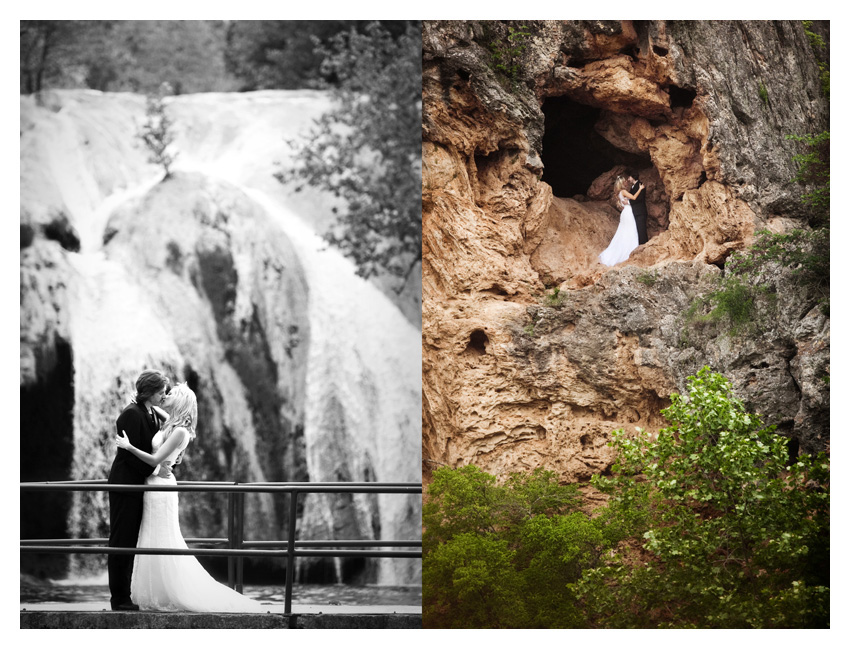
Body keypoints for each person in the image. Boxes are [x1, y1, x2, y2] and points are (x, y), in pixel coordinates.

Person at [115, 383, 265, 612]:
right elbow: (154, 409)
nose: (166, 395)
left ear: (181, 401)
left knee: (163, 537)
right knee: (150, 537)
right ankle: (156, 590)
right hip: (152, 485)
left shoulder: (179, 431)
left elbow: (155, 461)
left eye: (171, 394)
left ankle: (172, 590)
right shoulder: (170, 421)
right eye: (164, 392)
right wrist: (140, 397)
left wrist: (128, 446)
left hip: (160, 485)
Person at [108, 369, 172, 611]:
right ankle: (119, 599)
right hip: (125, 485)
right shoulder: (130, 414)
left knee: (131, 540)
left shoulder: (150, 411)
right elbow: (128, 454)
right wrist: (156, 471)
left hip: (137, 484)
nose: (164, 396)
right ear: (148, 392)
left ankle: (127, 595)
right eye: (160, 392)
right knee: (121, 540)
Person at [599, 176, 643, 267]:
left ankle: (624, 251)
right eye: (625, 181)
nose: (626, 182)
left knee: (624, 232)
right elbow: (634, 198)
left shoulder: (619, 193)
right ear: (622, 183)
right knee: (630, 231)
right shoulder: (623, 191)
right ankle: (629, 252)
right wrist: (640, 189)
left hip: (625, 212)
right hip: (628, 213)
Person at [627, 171, 649, 244]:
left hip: (640, 211)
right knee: (638, 230)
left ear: (632, 177)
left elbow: (640, 198)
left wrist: (629, 202)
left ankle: (644, 247)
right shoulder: (633, 187)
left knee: (641, 230)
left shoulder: (640, 185)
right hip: (636, 212)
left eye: (629, 177)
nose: (628, 179)